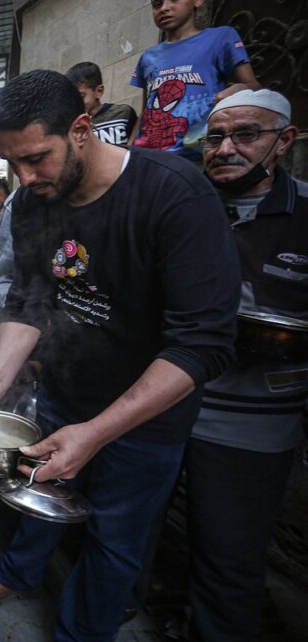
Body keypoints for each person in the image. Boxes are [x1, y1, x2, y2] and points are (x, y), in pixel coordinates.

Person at [0, 70, 240, 641]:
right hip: (64, 390)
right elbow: (31, 301)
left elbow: (202, 344)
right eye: (12, 163)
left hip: (148, 418)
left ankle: (79, 633)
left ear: (81, 129)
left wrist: (97, 432)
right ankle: (17, 575)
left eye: (37, 158)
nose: (24, 177)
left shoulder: (173, 194)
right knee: (33, 497)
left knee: (116, 539)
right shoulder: (35, 202)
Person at [184, 89, 306, 642]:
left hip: (252, 422)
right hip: (161, 403)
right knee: (133, 530)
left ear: (284, 141)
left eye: (246, 135)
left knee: (230, 557)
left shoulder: (303, 213)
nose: (226, 148)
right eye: (215, 137)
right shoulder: (184, 204)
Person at [131, 0, 260, 161]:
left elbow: (253, 86)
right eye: (157, 4)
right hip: (150, 157)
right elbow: (146, 110)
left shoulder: (221, 38)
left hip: (198, 154)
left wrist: (235, 90)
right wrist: (128, 151)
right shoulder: (148, 57)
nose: (164, 8)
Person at [65, 61, 137, 147]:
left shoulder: (123, 113)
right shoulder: (75, 125)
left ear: (99, 91)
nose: (75, 102)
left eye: (81, 96)